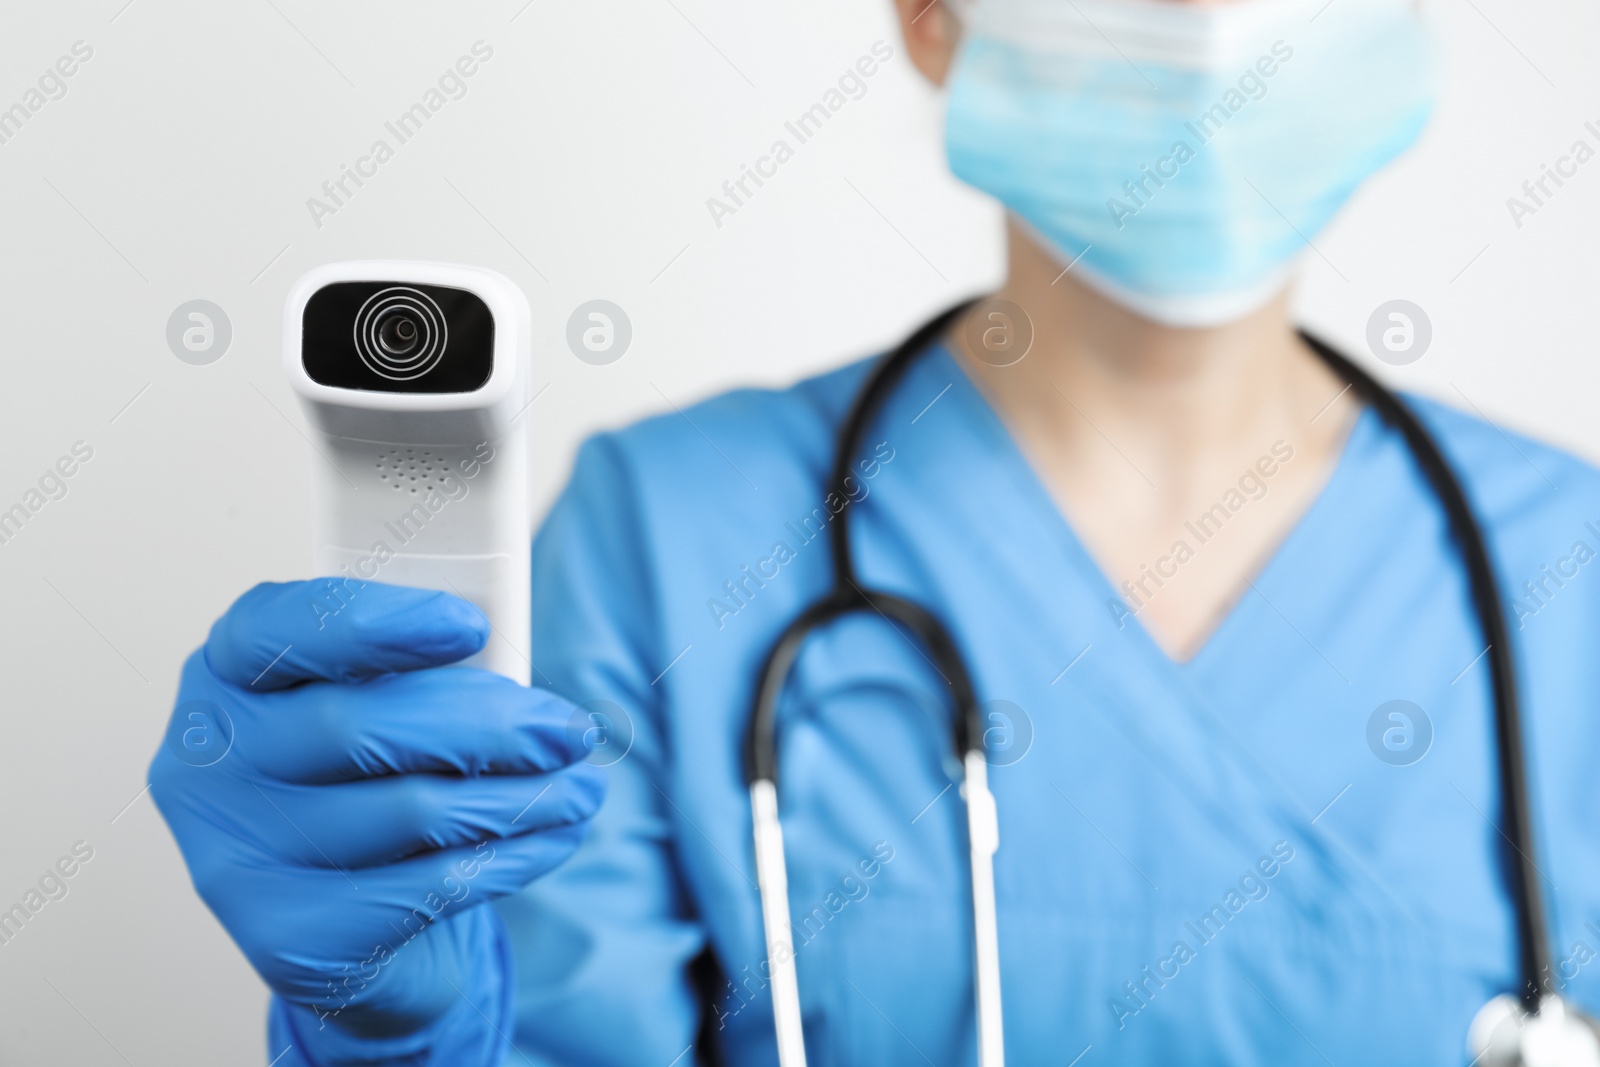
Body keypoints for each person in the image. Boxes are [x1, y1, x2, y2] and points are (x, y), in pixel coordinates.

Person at [151, 0, 1600, 1063]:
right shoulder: (669, 541)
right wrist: (401, 1034)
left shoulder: (1574, 570)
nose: (1210, 24)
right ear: (933, 19)